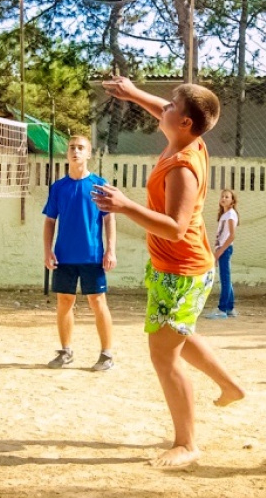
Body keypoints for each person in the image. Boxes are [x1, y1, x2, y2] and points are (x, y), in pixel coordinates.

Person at [92, 76, 245, 469]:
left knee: (164, 356)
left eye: (172, 106)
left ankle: (187, 443)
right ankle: (229, 385)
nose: (164, 108)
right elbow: (163, 109)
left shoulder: (183, 168)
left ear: (187, 123)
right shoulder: (189, 137)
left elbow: (175, 228)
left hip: (181, 270)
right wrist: (132, 93)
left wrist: (123, 206)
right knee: (178, 335)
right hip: (174, 268)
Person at [42, 135, 118, 371]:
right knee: (64, 301)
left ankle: (106, 355)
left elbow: (109, 219)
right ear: (68, 154)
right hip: (64, 256)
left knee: (97, 302)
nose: (76, 151)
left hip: (92, 256)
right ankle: (66, 352)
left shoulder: (98, 185)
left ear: (88, 154)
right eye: (72, 148)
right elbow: (49, 222)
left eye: (81, 148)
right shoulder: (58, 187)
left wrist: (110, 250)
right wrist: (48, 251)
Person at [206, 189, 239, 319]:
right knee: (227, 279)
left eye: (227, 197)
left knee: (225, 279)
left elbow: (231, 236)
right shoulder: (225, 215)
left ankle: (222, 309)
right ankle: (230, 308)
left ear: (232, 201)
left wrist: (220, 251)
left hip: (225, 249)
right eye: (222, 196)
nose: (224, 198)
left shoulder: (230, 214)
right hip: (222, 248)